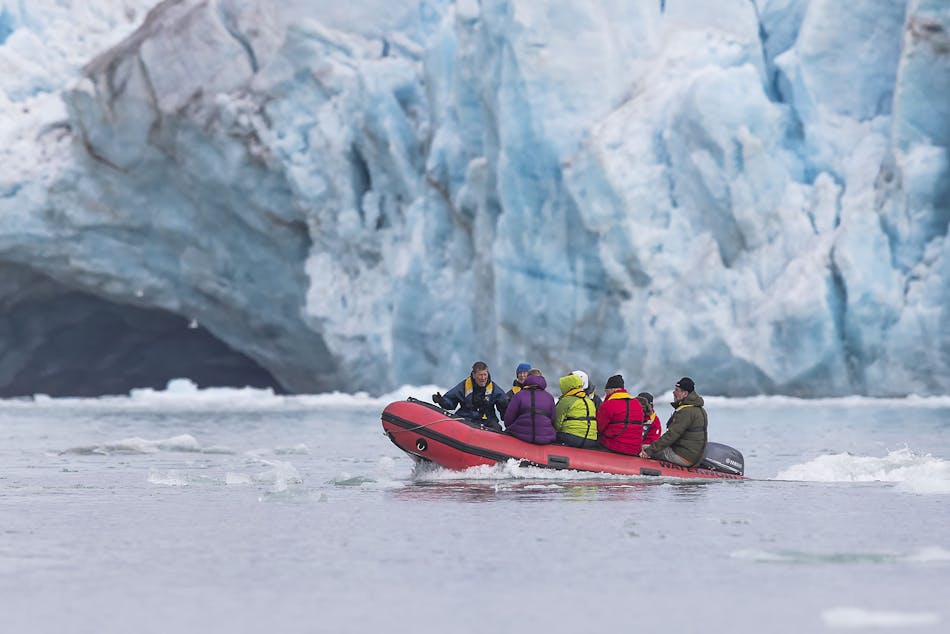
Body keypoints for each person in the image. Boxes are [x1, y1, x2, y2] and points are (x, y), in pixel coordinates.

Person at [640, 377, 707, 467]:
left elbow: (671, 435)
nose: (673, 392)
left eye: (677, 390)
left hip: (682, 456)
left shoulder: (686, 411)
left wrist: (648, 452)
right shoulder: (698, 409)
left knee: (641, 448)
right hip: (692, 456)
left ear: (685, 393)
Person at [433, 361, 509, 430]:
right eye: (480, 375)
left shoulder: (494, 389)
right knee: (454, 426)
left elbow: (505, 408)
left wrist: (507, 405)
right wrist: (441, 401)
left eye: (485, 374)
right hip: (466, 418)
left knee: (497, 428)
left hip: (487, 420)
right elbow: (451, 401)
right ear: (474, 375)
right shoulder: (464, 386)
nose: (483, 378)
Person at [596, 374, 646, 455]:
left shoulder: (608, 404)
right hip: (635, 449)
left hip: (614, 446)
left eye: (606, 391)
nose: (606, 394)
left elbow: (599, 427)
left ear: (612, 390)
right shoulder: (637, 404)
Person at [503, 371, 556, 444]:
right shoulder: (549, 397)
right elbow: (553, 420)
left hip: (520, 436)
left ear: (527, 379)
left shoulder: (518, 395)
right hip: (544, 438)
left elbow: (508, 420)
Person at [553, 373, 599, 448]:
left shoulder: (566, 401)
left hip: (572, 438)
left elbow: (556, 424)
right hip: (591, 440)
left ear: (566, 386)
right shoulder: (589, 401)